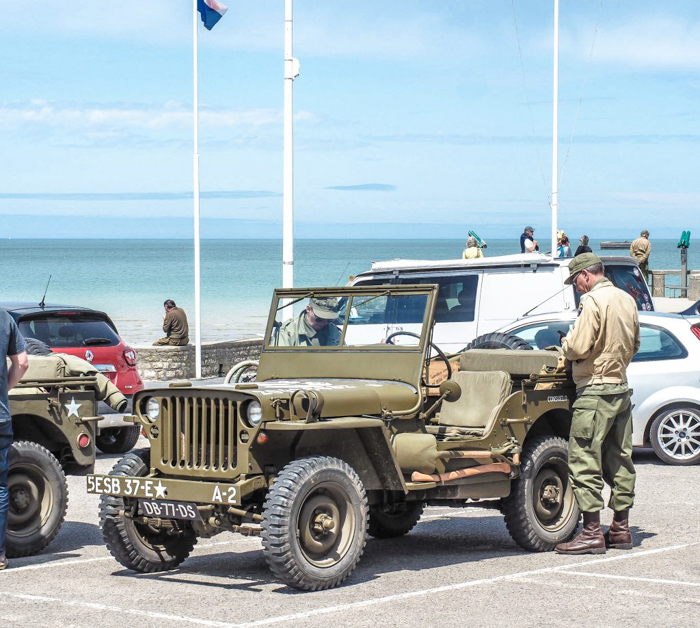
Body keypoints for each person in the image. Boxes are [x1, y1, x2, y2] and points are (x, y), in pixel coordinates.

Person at [554, 253, 640, 555]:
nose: (577, 287)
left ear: (586, 276)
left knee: (584, 459)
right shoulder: (627, 300)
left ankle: (591, 533)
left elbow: (578, 346)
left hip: (593, 390)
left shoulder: (592, 301)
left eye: (576, 281)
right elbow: (635, 344)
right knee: (620, 460)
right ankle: (620, 528)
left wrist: (566, 343)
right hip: (620, 388)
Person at [1, 307, 29, 570]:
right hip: (0, 416)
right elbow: (22, 363)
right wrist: (4, 390)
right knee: (0, 486)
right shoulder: (4, 317)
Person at [273, 298, 342, 347]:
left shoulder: (335, 332)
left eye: (329, 320)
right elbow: (277, 362)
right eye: (319, 319)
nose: (324, 323)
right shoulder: (287, 332)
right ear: (308, 309)